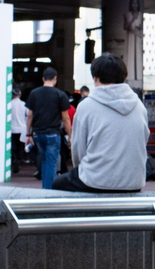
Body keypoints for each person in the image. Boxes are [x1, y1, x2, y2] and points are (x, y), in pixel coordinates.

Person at [53, 53, 149, 193]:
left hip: (96, 180)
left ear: (96, 78)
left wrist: (83, 169)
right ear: (123, 77)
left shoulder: (86, 106)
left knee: (57, 184)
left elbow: (79, 150)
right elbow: (143, 140)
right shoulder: (139, 106)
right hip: (134, 182)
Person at [25, 68, 72, 189]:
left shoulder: (34, 93)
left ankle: (45, 188)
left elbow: (30, 115)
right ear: (55, 78)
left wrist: (28, 135)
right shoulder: (60, 94)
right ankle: (48, 190)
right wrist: (70, 135)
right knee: (51, 163)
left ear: (43, 79)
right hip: (53, 133)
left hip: (37, 134)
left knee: (45, 161)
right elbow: (66, 118)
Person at [123, 0, 143, 84]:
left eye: (136, 3)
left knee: (138, 55)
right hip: (130, 37)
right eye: (133, 3)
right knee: (130, 54)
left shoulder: (141, 14)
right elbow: (125, 27)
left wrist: (139, 28)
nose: (135, 5)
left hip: (138, 37)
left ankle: (138, 77)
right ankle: (130, 76)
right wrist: (132, 20)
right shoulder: (127, 14)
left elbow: (142, 26)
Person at [10, 88, 27, 174]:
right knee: (20, 147)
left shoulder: (9, 104)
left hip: (12, 129)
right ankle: (19, 161)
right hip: (22, 129)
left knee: (13, 148)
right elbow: (27, 116)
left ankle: (14, 160)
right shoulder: (24, 104)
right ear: (20, 94)